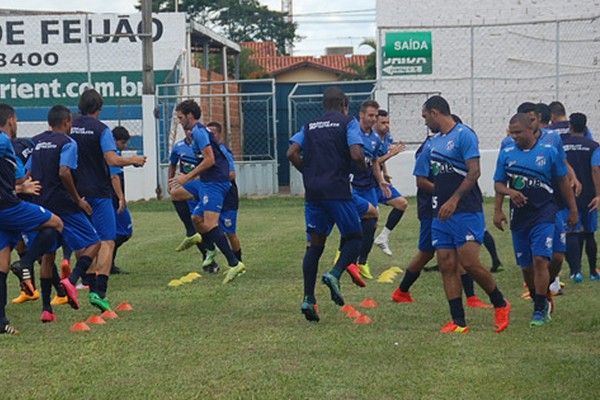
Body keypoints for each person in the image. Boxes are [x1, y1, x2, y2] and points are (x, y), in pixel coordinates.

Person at [420, 95, 510, 333]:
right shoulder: (435, 142)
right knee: (447, 264)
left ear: (436, 112)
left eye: (426, 116)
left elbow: (474, 172)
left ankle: (500, 303)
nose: (426, 122)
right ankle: (458, 321)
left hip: (466, 209)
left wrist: (454, 199)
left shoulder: (464, 135)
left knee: (469, 263)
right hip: (441, 213)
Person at [287, 86, 366, 322]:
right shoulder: (348, 122)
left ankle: (308, 298)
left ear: (324, 105)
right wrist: (361, 165)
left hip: (313, 193)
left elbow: (291, 153)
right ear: (343, 104)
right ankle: (334, 274)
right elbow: (355, 154)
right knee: (355, 237)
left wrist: (309, 172)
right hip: (337, 190)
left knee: (315, 246)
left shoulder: (309, 126)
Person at [494, 113, 577, 326]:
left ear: (532, 129)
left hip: (545, 212)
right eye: (511, 133)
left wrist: (573, 210)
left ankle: (539, 309)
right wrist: (507, 198)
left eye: (518, 132)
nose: (514, 137)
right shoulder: (507, 153)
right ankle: (538, 298)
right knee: (526, 267)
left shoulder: (548, 151)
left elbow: (563, 182)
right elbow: (499, 184)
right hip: (520, 215)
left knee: (542, 259)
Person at [393, 129, 491, 308]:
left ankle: (471, 297)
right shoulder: (429, 147)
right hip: (432, 209)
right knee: (427, 252)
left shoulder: (458, 147)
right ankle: (401, 290)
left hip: (452, 208)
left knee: (457, 253)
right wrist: (446, 195)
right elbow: (421, 181)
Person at [70, 89, 146, 311]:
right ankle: (99, 291)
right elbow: (111, 159)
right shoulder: (101, 129)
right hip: (99, 192)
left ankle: (86, 281)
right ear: (99, 108)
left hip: (76, 192)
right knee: (107, 240)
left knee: (85, 240)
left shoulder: (70, 126)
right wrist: (133, 159)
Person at [27, 105, 102, 319]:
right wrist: (78, 200)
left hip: (42, 204)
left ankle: (46, 310)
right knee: (94, 242)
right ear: (68, 122)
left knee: (48, 255)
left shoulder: (37, 141)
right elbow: (64, 171)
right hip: (63, 203)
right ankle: (73, 278)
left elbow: (28, 171)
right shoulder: (68, 142)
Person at [0, 103, 64, 333]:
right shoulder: (4, 140)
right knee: (56, 223)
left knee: (3, 261)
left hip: (6, 206)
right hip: (8, 208)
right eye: (16, 120)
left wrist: (22, 186)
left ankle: (2, 323)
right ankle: (27, 262)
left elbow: (15, 177)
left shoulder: (10, 152)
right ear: (11, 120)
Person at [169, 100, 245, 284]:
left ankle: (235, 263)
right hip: (205, 181)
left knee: (211, 224)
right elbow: (204, 159)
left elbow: (210, 160)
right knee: (178, 196)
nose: (179, 122)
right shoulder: (196, 133)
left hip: (215, 182)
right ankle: (202, 241)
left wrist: (187, 177)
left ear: (189, 115)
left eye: (180, 118)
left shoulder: (199, 132)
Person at [348, 100, 388, 280]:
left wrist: (380, 181)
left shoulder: (375, 139)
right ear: (362, 115)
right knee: (352, 222)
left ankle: (362, 262)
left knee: (372, 223)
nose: (373, 119)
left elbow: (374, 162)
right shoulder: (351, 132)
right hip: (352, 185)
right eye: (370, 115)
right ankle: (344, 257)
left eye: (375, 116)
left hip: (368, 187)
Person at [560, 113, 600, 282]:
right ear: (585, 128)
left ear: (570, 127)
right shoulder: (594, 146)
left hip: (568, 195)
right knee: (589, 233)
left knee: (572, 232)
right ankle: (592, 271)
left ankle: (575, 271)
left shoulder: (561, 145)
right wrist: (598, 194)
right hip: (589, 195)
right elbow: (595, 170)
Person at [372, 109, 408, 257]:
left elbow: (381, 159)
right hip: (367, 183)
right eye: (383, 123)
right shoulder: (370, 138)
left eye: (388, 122)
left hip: (380, 182)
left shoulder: (387, 137)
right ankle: (348, 255)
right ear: (375, 122)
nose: (386, 126)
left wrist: (385, 173)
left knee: (402, 203)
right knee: (370, 222)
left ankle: (383, 237)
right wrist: (391, 154)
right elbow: (371, 162)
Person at [206, 121, 242, 267]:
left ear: (219, 135)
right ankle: (211, 258)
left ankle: (238, 262)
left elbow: (232, 174)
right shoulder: (206, 151)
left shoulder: (223, 151)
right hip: (213, 195)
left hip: (227, 196)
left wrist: (214, 178)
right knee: (206, 224)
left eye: (213, 133)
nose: (211, 137)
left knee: (230, 232)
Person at [109, 126, 134, 275]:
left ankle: (109, 263)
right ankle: (106, 262)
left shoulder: (116, 155)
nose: (124, 146)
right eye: (122, 142)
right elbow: (114, 177)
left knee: (122, 232)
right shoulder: (113, 155)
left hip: (114, 199)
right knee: (123, 232)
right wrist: (121, 198)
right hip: (113, 200)